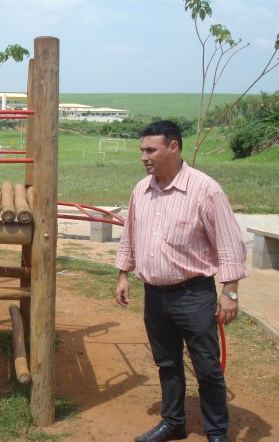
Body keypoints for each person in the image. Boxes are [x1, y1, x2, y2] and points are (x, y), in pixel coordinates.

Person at [115, 120, 247, 442]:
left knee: (206, 366)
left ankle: (216, 432)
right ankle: (173, 422)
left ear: (173, 148)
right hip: (154, 295)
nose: (144, 157)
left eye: (151, 150)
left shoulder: (205, 190)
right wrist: (123, 274)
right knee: (167, 362)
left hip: (193, 295)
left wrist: (229, 292)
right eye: (142, 151)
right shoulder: (141, 191)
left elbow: (230, 243)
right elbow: (130, 235)